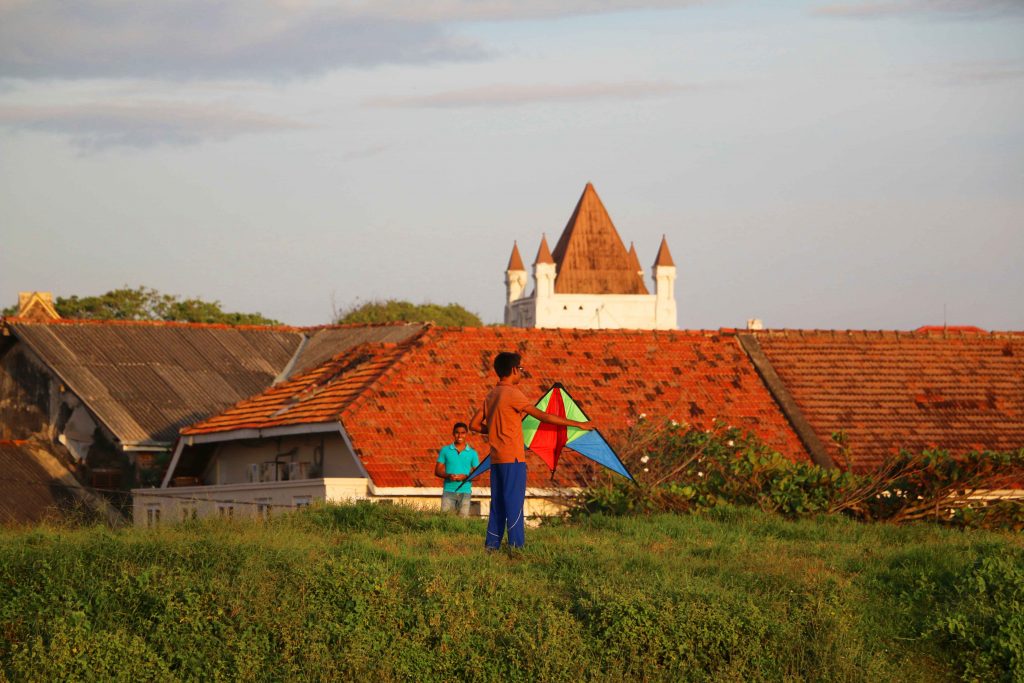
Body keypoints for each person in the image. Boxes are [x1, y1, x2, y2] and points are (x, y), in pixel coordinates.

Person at [469, 351, 592, 550]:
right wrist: (577, 423)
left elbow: (473, 425)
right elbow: (542, 416)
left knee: (497, 504)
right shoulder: (513, 393)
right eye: (521, 369)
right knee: (514, 504)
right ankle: (517, 548)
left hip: (497, 459)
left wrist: (494, 429)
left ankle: (491, 547)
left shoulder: (491, 395)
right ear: (513, 370)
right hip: (513, 459)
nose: (521, 374)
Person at [434, 422, 479, 517]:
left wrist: (465, 477)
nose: (460, 435)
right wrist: (448, 475)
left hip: (465, 492)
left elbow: (478, 475)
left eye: (463, 433)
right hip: (448, 491)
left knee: (462, 522)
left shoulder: (472, 453)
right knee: (446, 520)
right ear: (453, 434)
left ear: (466, 434)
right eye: (457, 432)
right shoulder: (445, 450)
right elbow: (437, 471)